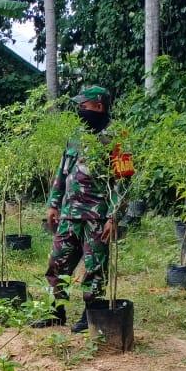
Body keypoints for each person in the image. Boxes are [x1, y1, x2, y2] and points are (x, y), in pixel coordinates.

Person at [34, 85, 124, 333]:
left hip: (97, 217)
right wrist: (54, 203)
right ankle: (55, 311)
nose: (79, 111)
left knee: (94, 269)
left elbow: (123, 182)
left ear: (98, 106)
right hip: (69, 214)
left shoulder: (117, 139)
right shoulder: (75, 137)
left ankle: (90, 314)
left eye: (83, 106)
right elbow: (61, 173)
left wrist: (113, 217)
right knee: (57, 263)